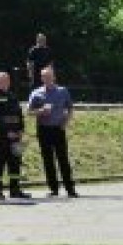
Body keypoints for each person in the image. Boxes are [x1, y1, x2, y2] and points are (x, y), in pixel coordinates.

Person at [27, 66, 78, 197]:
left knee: (63, 159)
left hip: (58, 128)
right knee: (48, 160)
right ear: (41, 78)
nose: (47, 79)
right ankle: (53, 188)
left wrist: (65, 123)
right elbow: (29, 112)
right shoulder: (36, 93)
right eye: (44, 76)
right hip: (43, 129)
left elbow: (70, 108)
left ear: (54, 77)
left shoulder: (62, 91)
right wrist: (41, 111)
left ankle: (70, 188)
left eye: (49, 76)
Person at [0, 71, 31, 200]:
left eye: (6, 80)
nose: (4, 83)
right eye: (1, 81)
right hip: (1, 138)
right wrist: (6, 132)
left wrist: (21, 130)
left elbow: (19, 115)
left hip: (16, 137)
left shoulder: (12, 96)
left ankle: (15, 189)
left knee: (15, 163)